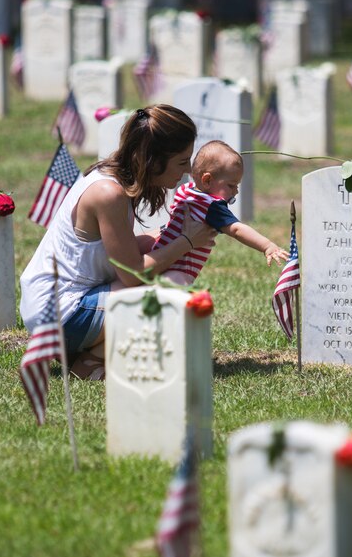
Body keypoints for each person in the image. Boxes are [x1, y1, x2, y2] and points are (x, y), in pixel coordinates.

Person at [19, 105, 217, 380]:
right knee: (173, 288)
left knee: (166, 273)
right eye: (182, 162)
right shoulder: (108, 193)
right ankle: (89, 360)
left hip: (59, 307)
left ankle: (93, 348)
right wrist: (185, 242)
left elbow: (115, 252)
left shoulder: (112, 178)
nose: (186, 172)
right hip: (59, 314)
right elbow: (133, 274)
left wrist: (162, 238)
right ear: (154, 159)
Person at [152, 140, 289, 285]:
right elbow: (237, 229)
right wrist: (267, 245)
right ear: (207, 180)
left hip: (168, 262)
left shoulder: (185, 190)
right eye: (231, 185)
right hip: (176, 264)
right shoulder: (211, 206)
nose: (236, 191)